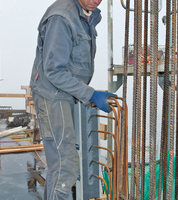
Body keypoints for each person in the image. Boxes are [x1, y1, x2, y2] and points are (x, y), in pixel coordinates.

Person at [29, 0, 114, 199]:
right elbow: (54, 71)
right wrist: (90, 94)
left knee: (63, 164)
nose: (96, 0)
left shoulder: (85, 14)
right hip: (53, 96)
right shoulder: (62, 17)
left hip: (68, 94)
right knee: (65, 164)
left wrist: (85, 92)